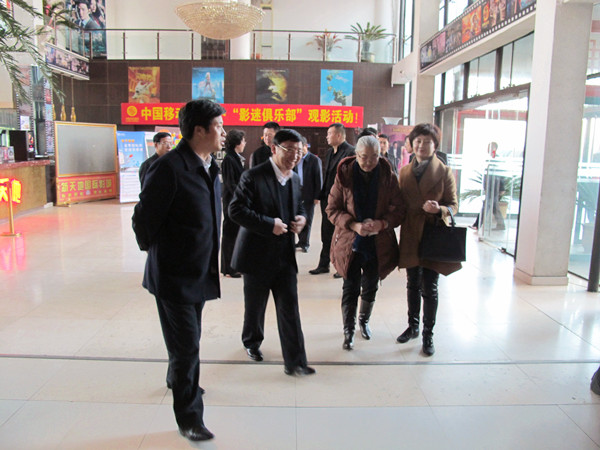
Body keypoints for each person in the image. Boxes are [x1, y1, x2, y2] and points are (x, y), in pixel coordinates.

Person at [131, 99, 226, 442]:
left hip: (198, 272)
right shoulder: (169, 168)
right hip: (174, 276)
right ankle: (189, 418)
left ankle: (177, 377)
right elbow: (143, 221)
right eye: (218, 126)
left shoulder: (208, 166)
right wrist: (162, 255)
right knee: (187, 347)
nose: (223, 132)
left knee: (187, 339)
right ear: (199, 130)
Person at [229, 128, 316, 377]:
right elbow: (236, 210)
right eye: (290, 150)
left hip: (284, 255)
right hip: (256, 255)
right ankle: (251, 342)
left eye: (299, 151)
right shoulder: (254, 176)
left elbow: (300, 206)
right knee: (255, 307)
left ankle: (295, 361)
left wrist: (302, 219)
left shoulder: (295, 179)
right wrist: (269, 224)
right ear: (274, 148)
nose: (295, 156)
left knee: (290, 307)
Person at [326, 136, 403, 350]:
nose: (368, 162)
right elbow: (331, 209)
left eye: (374, 157)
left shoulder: (388, 177)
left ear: (380, 155)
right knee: (350, 286)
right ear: (356, 155)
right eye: (363, 157)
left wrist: (382, 223)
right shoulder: (344, 175)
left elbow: (399, 209)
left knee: (370, 285)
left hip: (378, 243)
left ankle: (364, 321)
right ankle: (348, 330)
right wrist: (353, 225)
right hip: (350, 242)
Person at [396, 123, 461, 357]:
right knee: (412, 283)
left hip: (433, 234)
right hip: (411, 233)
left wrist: (439, 209)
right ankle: (412, 326)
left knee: (430, 287)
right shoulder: (404, 171)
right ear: (411, 144)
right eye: (418, 141)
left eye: (427, 142)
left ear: (435, 145)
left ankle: (427, 334)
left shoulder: (444, 171)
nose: (421, 145)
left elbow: (454, 205)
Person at [310, 123, 355, 276]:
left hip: (342, 202)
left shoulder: (350, 152)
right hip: (328, 200)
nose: (327, 137)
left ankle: (341, 266)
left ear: (338, 135)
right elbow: (328, 175)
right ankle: (324, 264)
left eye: (329, 134)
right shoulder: (329, 152)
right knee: (326, 234)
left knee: (341, 235)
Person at [220, 129, 246, 277]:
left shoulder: (235, 157)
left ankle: (234, 265)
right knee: (230, 235)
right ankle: (228, 268)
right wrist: (243, 196)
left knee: (235, 234)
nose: (244, 143)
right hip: (232, 202)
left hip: (236, 201)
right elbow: (231, 184)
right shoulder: (229, 159)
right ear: (237, 143)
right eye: (243, 141)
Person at [294, 136, 323, 252]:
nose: (298, 151)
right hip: (297, 192)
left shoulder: (314, 160)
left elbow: (319, 179)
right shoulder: (295, 158)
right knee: (297, 217)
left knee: (307, 218)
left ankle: (305, 243)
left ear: (306, 146)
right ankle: (301, 241)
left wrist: (317, 196)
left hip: (309, 193)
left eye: (300, 148)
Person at [470, 142, 506, 231]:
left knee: (486, 206)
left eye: (489, 147)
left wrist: (502, 188)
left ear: (494, 149)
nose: (488, 149)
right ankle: (501, 224)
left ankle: (477, 225)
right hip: (490, 187)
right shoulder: (490, 159)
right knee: (493, 207)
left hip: (494, 188)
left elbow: (501, 175)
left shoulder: (497, 160)